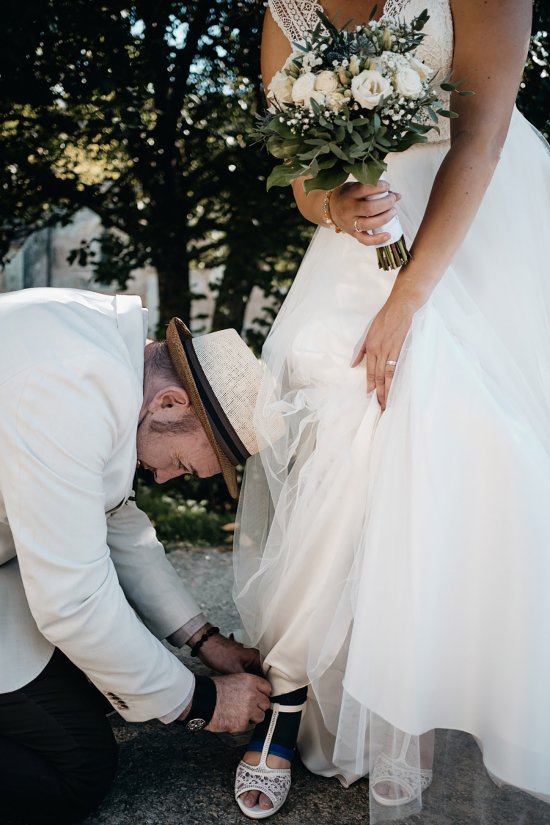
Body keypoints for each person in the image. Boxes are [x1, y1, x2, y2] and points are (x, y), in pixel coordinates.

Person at [233, 0, 550, 821]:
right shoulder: (289, 11)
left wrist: (406, 305)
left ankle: (414, 710)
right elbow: (303, 179)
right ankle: (291, 688)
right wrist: (334, 207)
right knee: (340, 408)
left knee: (446, 420)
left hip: (476, 223)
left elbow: (481, 138)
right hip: (362, 232)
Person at [0, 286, 272, 824]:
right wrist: (200, 701)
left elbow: (115, 516)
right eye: (182, 464)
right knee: (76, 769)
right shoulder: (71, 384)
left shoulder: (110, 362)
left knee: (109, 685)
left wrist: (204, 641)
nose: (166, 476)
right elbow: (72, 601)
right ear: (171, 402)